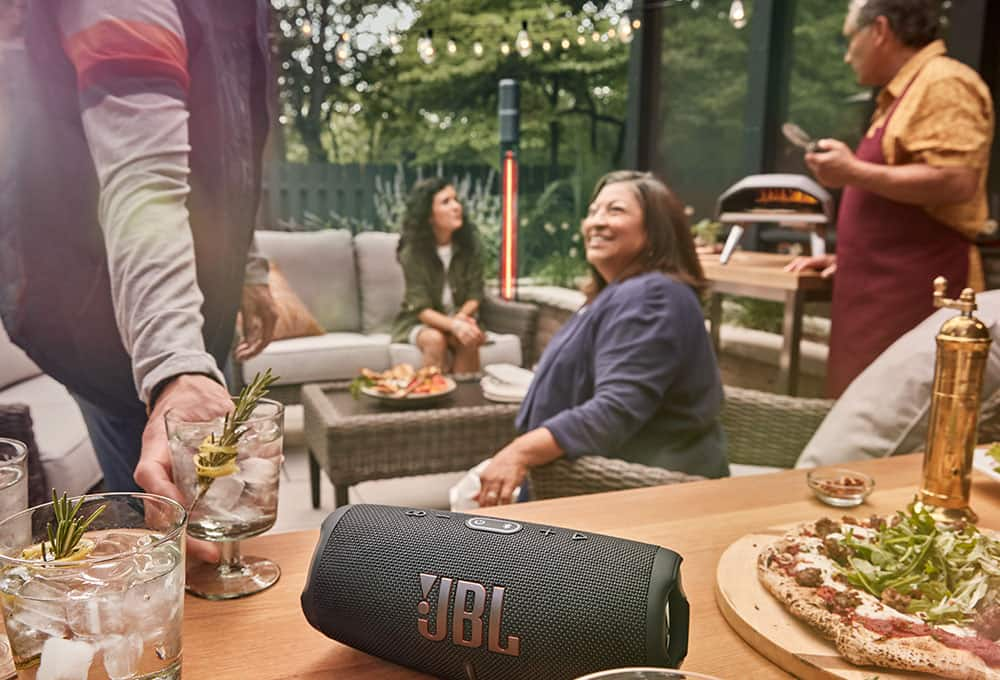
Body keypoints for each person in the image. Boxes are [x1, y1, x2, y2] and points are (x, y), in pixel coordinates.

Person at [0, 0, 278, 521]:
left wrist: (248, 267)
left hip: (198, 311)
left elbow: (228, 153)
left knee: (221, 504)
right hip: (108, 326)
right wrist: (173, 367)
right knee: (167, 527)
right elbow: (143, 179)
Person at [476, 171, 728, 507]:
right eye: (594, 211)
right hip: (593, 480)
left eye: (616, 210)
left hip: (638, 497)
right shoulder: (621, 292)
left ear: (655, 229)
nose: (596, 222)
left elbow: (616, 408)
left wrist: (520, 452)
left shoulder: (653, 297)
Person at [786, 0, 994, 398]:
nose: (848, 56)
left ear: (879, 30)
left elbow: (956, 181)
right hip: (880, 290)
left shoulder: (943, 82)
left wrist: (852, 171)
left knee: (898, 434)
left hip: (918, 297)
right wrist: (852, 255)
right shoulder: (903, 93)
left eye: (850, 40)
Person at [391, 177, 486, 372]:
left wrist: (459, 320)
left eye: (456, 200)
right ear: (429, 216)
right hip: (419, 323)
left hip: (459, 316)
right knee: (435, 339)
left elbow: (475, 295)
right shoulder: (413, 253)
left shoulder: (470, 246)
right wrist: (453, 325)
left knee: (468, 338)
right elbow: (421, 309)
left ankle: (466, 401)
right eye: (446, 202)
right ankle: (431, 400)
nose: (456, 207)